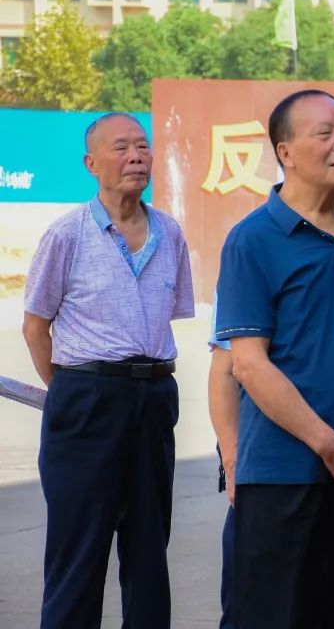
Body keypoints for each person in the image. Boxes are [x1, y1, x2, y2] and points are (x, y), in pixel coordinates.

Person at [215, 89, 334, 628]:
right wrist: (326, 443)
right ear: (286, 152)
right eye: (326, 133)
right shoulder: (253, 240)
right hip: (282, 473)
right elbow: (248, 364)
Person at [22, 112, 195, 629]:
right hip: (86, 397)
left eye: (142, 146)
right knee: (79, 549)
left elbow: (168, 316)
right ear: (91, 163)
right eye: (121, 148)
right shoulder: (67, 234)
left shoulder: (169, 232)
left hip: (154, 396)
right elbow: (35, 326)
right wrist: (70, 392)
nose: (136, 157)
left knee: (148, 547)